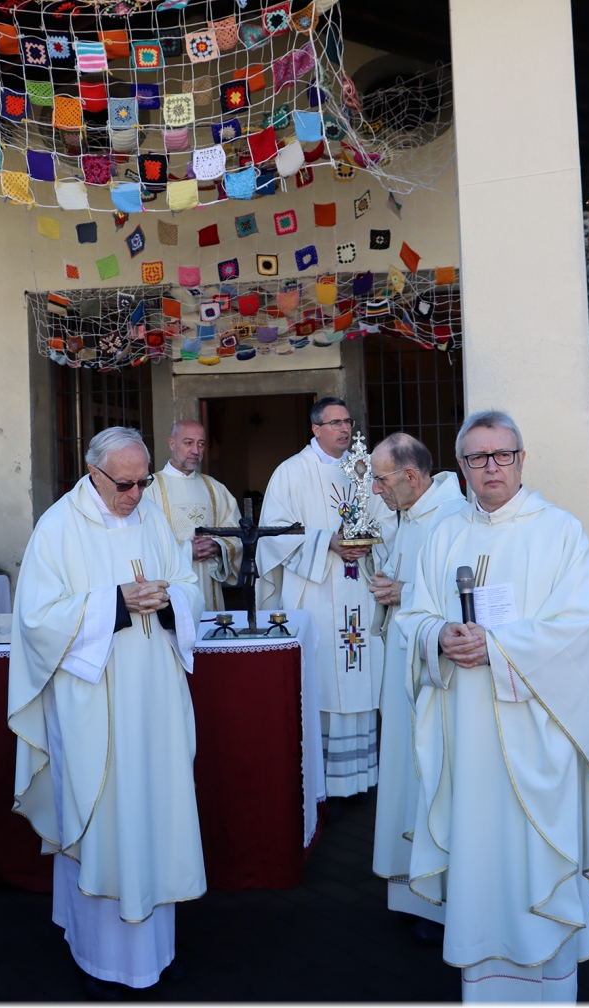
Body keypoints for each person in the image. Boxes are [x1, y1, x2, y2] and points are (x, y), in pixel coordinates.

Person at [397, 410, 589, 1002]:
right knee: (481, 860)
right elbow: (413, 616)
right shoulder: (444, 534)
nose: (491, 466)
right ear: (461, 467)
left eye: (502, 454)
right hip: (467, 736)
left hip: (537, 738)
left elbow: (578, 631)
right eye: (477, 457)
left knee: (535, 860)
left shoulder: (560, 532)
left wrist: (496, 647)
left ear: (522, 460)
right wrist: (438, 636)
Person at [8, 427, 206, 1000]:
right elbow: (36, 620)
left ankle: (155, 954)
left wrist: (170, 601)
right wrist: (116, 602)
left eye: (143, 482)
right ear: (93, 473)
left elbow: (188, 586)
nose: (136, 494)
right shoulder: (58, 528)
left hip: (155, 701)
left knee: (154, 811)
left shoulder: (151, 517)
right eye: (125, 484)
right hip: (92, 706)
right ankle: (98, 957)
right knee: (104, 819)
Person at [256, 397, 396, 810]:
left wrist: (369, 543)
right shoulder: (290, 472)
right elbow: (273, 534)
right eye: (334, 423)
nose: (344, 429)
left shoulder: (366, 469)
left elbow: (390, 518)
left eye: (347, 421)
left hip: (360, 589)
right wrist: (327, 543)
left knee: (360, 678)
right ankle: (321, 787)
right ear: (315, 429)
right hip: (315, 592)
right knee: (322, 685)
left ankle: (362, 779)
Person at [368, 433, 464, 945]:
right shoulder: (409, 515)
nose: (375, 489)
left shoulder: (453, 519)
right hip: (401, 666)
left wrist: (403, 593)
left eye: (380, 479)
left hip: (432, 675)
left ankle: (438, 897)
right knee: (405, 770)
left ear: (410, 476)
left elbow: (462, 599)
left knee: (431, 774)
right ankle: (410, 890)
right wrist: (389, 586)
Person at [142, 420, 242, 616]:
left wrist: (218, 547)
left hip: (210, 588)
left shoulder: (215, 488)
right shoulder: (149, 489)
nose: (196, 450)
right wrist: (188, 549)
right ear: (172, 444)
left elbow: (236, 534)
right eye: (188, 443)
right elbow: (143, 540)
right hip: (170, 588)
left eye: (201, 444)